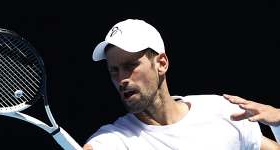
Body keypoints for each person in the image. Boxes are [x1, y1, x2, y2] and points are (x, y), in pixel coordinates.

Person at [83, 19, 280, 149]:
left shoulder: (224, 111)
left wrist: (279, 123)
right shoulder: (114, 139)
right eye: (114, 70)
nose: (121, 79)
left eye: (130, 65)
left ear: (161, 63)